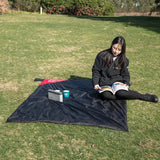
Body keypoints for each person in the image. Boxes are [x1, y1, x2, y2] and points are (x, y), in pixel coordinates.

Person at [92, 36, 158, 103]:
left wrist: (126, 83)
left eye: (119, 50)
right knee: (106, 95)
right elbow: (96, 70)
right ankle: (123, 96)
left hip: (117, 81)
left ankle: (144, 96)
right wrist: (96, 83)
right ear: (111, 45)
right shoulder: (101, 56)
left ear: (122, 50)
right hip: (104, 82)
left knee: (121, 93)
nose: (116, 51)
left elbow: (125, 73)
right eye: (114, 48)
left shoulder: (124, 60)